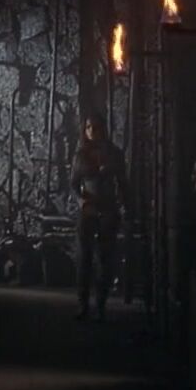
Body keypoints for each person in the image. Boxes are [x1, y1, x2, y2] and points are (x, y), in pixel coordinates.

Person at [70, 112, 129, 321]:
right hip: (88, 210)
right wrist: (81, 201)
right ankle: (83, 304)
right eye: (88, 128)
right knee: (84, 258)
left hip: (108, 209)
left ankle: (101, 305)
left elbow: (123, 183)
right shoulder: (81, 155)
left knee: (105, 259)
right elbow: (74, 184)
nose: (92, 131)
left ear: (103, 129)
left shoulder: (115, 154)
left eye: (96, 127)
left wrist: (124, 207)